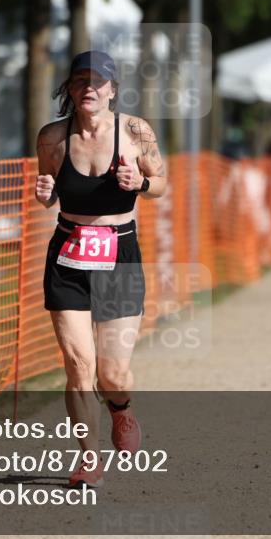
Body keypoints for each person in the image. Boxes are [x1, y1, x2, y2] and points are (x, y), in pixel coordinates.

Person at [35, 50, 167, 488]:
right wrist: (46, 194)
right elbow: (50, 191)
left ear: (112, 89)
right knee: (78, 365)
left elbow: (161, 183)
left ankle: (121, 409)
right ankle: (89, 458)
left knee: (112, 374)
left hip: (118, 255)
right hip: (68, 255)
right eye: (80, 81)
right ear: (70, 89)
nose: (88, 88)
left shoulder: (135, 131)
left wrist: (141, 183)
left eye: (98, 81)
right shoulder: (52, 137)